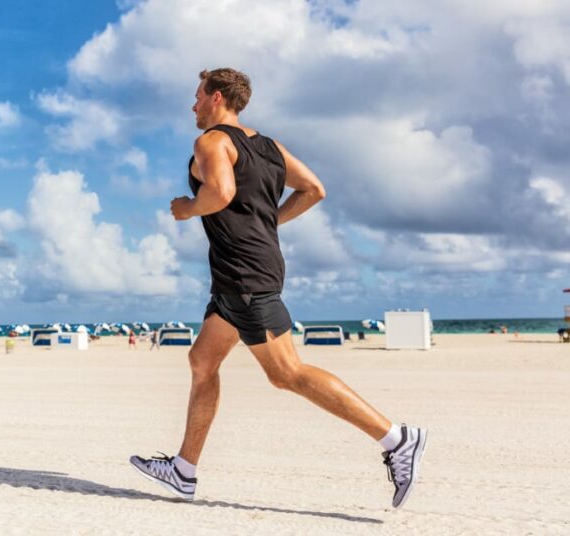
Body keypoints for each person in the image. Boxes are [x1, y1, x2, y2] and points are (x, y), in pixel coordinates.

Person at [129, 68, 427, 509]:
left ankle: (397, 439)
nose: (192, 106)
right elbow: (314, 189)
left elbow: (221, 194)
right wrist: (268, 224)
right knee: (202, 361)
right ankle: (184, 470)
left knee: (286, 373)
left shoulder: (211, 141)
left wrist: (188, 208)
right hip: (241, 274)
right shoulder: (269, 147)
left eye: (196, 97)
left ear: (216, 98)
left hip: (246, 275)